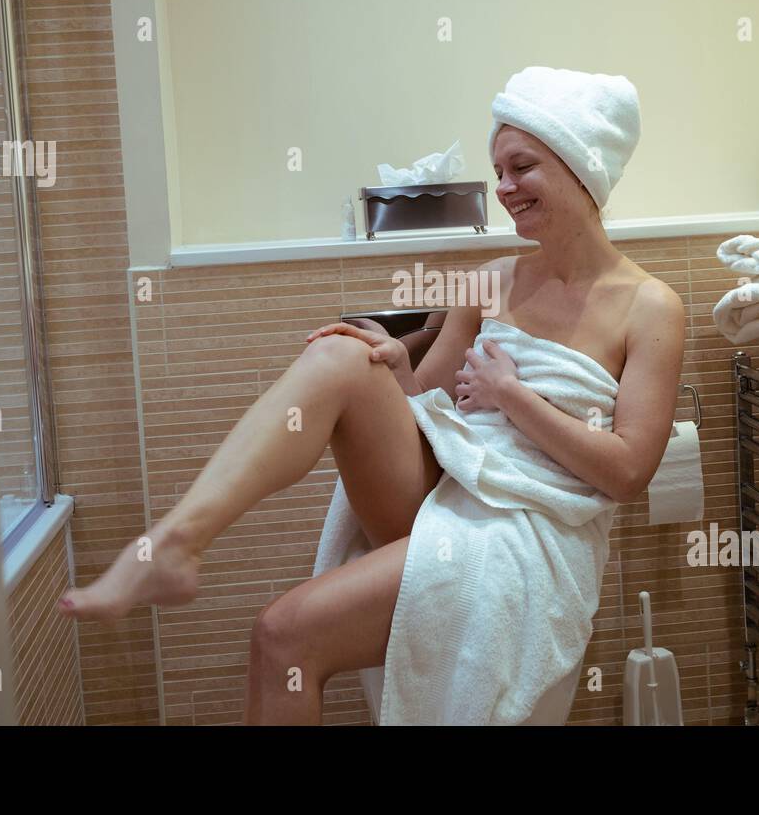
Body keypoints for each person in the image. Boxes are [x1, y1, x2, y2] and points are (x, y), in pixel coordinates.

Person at [59, 66, 686, 724]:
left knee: (282, 636)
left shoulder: (649, 307)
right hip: (448, 486)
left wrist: (513, 397)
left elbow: (627, 473)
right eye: (497, 170)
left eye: (521, 167)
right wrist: (390, 367)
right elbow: (427, 406)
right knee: (341, 354)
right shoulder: (491, 281)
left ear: (580, 167)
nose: (503, 188)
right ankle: (175, 544)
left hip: (529, 527)